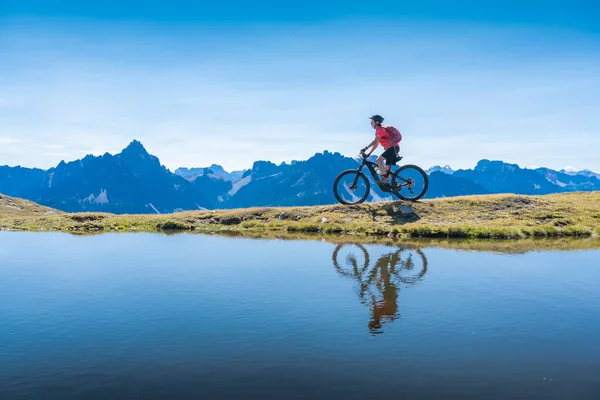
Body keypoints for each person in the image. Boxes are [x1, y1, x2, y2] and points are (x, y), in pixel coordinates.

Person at [361, 114, 400, 185]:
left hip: (392, 148)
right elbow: (376, 144)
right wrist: (369, 153)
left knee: (378, 161)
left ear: (377, 122)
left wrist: (365, 148)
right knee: (387, 169)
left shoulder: (381, 130)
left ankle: (385, 179)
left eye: (372, 122)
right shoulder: (378, 131)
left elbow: (375, 141)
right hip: (393, 148)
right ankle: (396, 184)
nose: (370, 123)